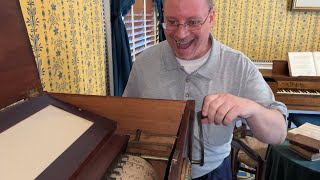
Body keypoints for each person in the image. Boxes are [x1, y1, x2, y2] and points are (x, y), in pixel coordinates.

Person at [123, 0, 287, 179]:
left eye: (193, 22)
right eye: (171, 21)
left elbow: (278, 134)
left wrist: (250, 108)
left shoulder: (239, 65)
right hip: (155, 171)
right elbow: (126, 122)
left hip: (213, 173)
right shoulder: (144, 63)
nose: (181, 33)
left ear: (211, 18)